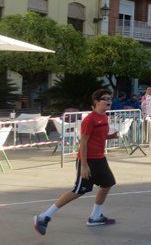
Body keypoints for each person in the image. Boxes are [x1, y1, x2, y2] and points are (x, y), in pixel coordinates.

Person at [34, 89, 120, 235]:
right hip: (88, 160)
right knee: (78, 191)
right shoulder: (90, 119)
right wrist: (84, 165)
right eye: (105, 98)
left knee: (107, 183)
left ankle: (95, 217)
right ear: (96, 102)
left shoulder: (104, 117)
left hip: (100, 159)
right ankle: (43, 217)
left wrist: (111, 136)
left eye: (109, 98)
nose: (108, 101)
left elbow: (99, 137)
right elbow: (84, 142)